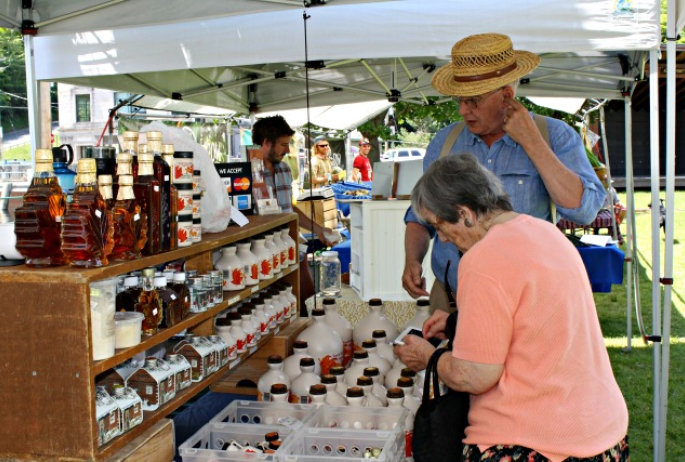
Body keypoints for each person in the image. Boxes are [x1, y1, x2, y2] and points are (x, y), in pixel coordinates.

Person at [395, 154, 629, 462]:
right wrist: (457, 322)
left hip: (535, 442)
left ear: (464, 213)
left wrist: (430, 358)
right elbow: (535, 317)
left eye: (440, 225)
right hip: (600, 429)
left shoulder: (483, 259)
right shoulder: (545, 231)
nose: (442, 237)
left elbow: (474, 376)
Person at [401, 33, 606, 310]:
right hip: (453, 298)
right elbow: (421, 216)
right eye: (459, 100)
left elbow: (583, 211)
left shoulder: (555, 136)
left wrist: (531, 141)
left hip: (526, 303)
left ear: (506, 96)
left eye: (473, 101)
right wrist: (412, 259)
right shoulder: (445, 142)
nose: (463, 110)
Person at [251, 115, 336, 314]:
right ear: (266, 143)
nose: (287, 150)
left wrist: (318, 228)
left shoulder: (283, 168)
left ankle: (308, 325)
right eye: (283, 145)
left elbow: (288, 207)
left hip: (289, 239)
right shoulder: (246, 172)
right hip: (262, 247)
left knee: (307, 294)